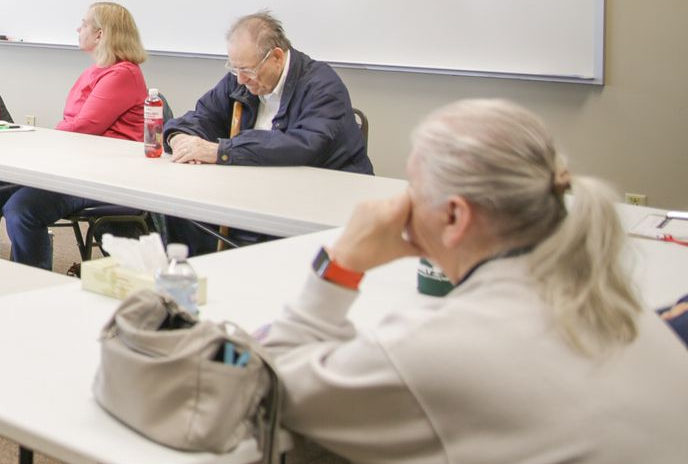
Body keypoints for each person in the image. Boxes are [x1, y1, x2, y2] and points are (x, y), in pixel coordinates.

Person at [260, 99, 688, 463]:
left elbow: (268, 385)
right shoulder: (623, 311)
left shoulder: (436, 345)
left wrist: (342, 263)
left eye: (413, 188)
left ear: (454, 216)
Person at [162, 10, 371, 252]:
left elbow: (302, 146)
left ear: (277, 58)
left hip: (319, 200)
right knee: (181, 210)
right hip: (256, 193)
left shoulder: (323, 86)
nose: (240, 80)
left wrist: (222, 150)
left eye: (247, 71)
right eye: (234, 69)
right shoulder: (240, 80)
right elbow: (202, 116)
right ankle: (199, 283)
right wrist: (179, 138)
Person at [0, 2, 148, 269]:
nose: (77, 28)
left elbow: (84, 127)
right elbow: (73, 127)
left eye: (83, 24)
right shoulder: (96, 70)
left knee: (21, 210)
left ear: (100, 34)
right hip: (69, 161)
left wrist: (39, 140)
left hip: (100, 173)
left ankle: (35, 287)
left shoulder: (123, 74)